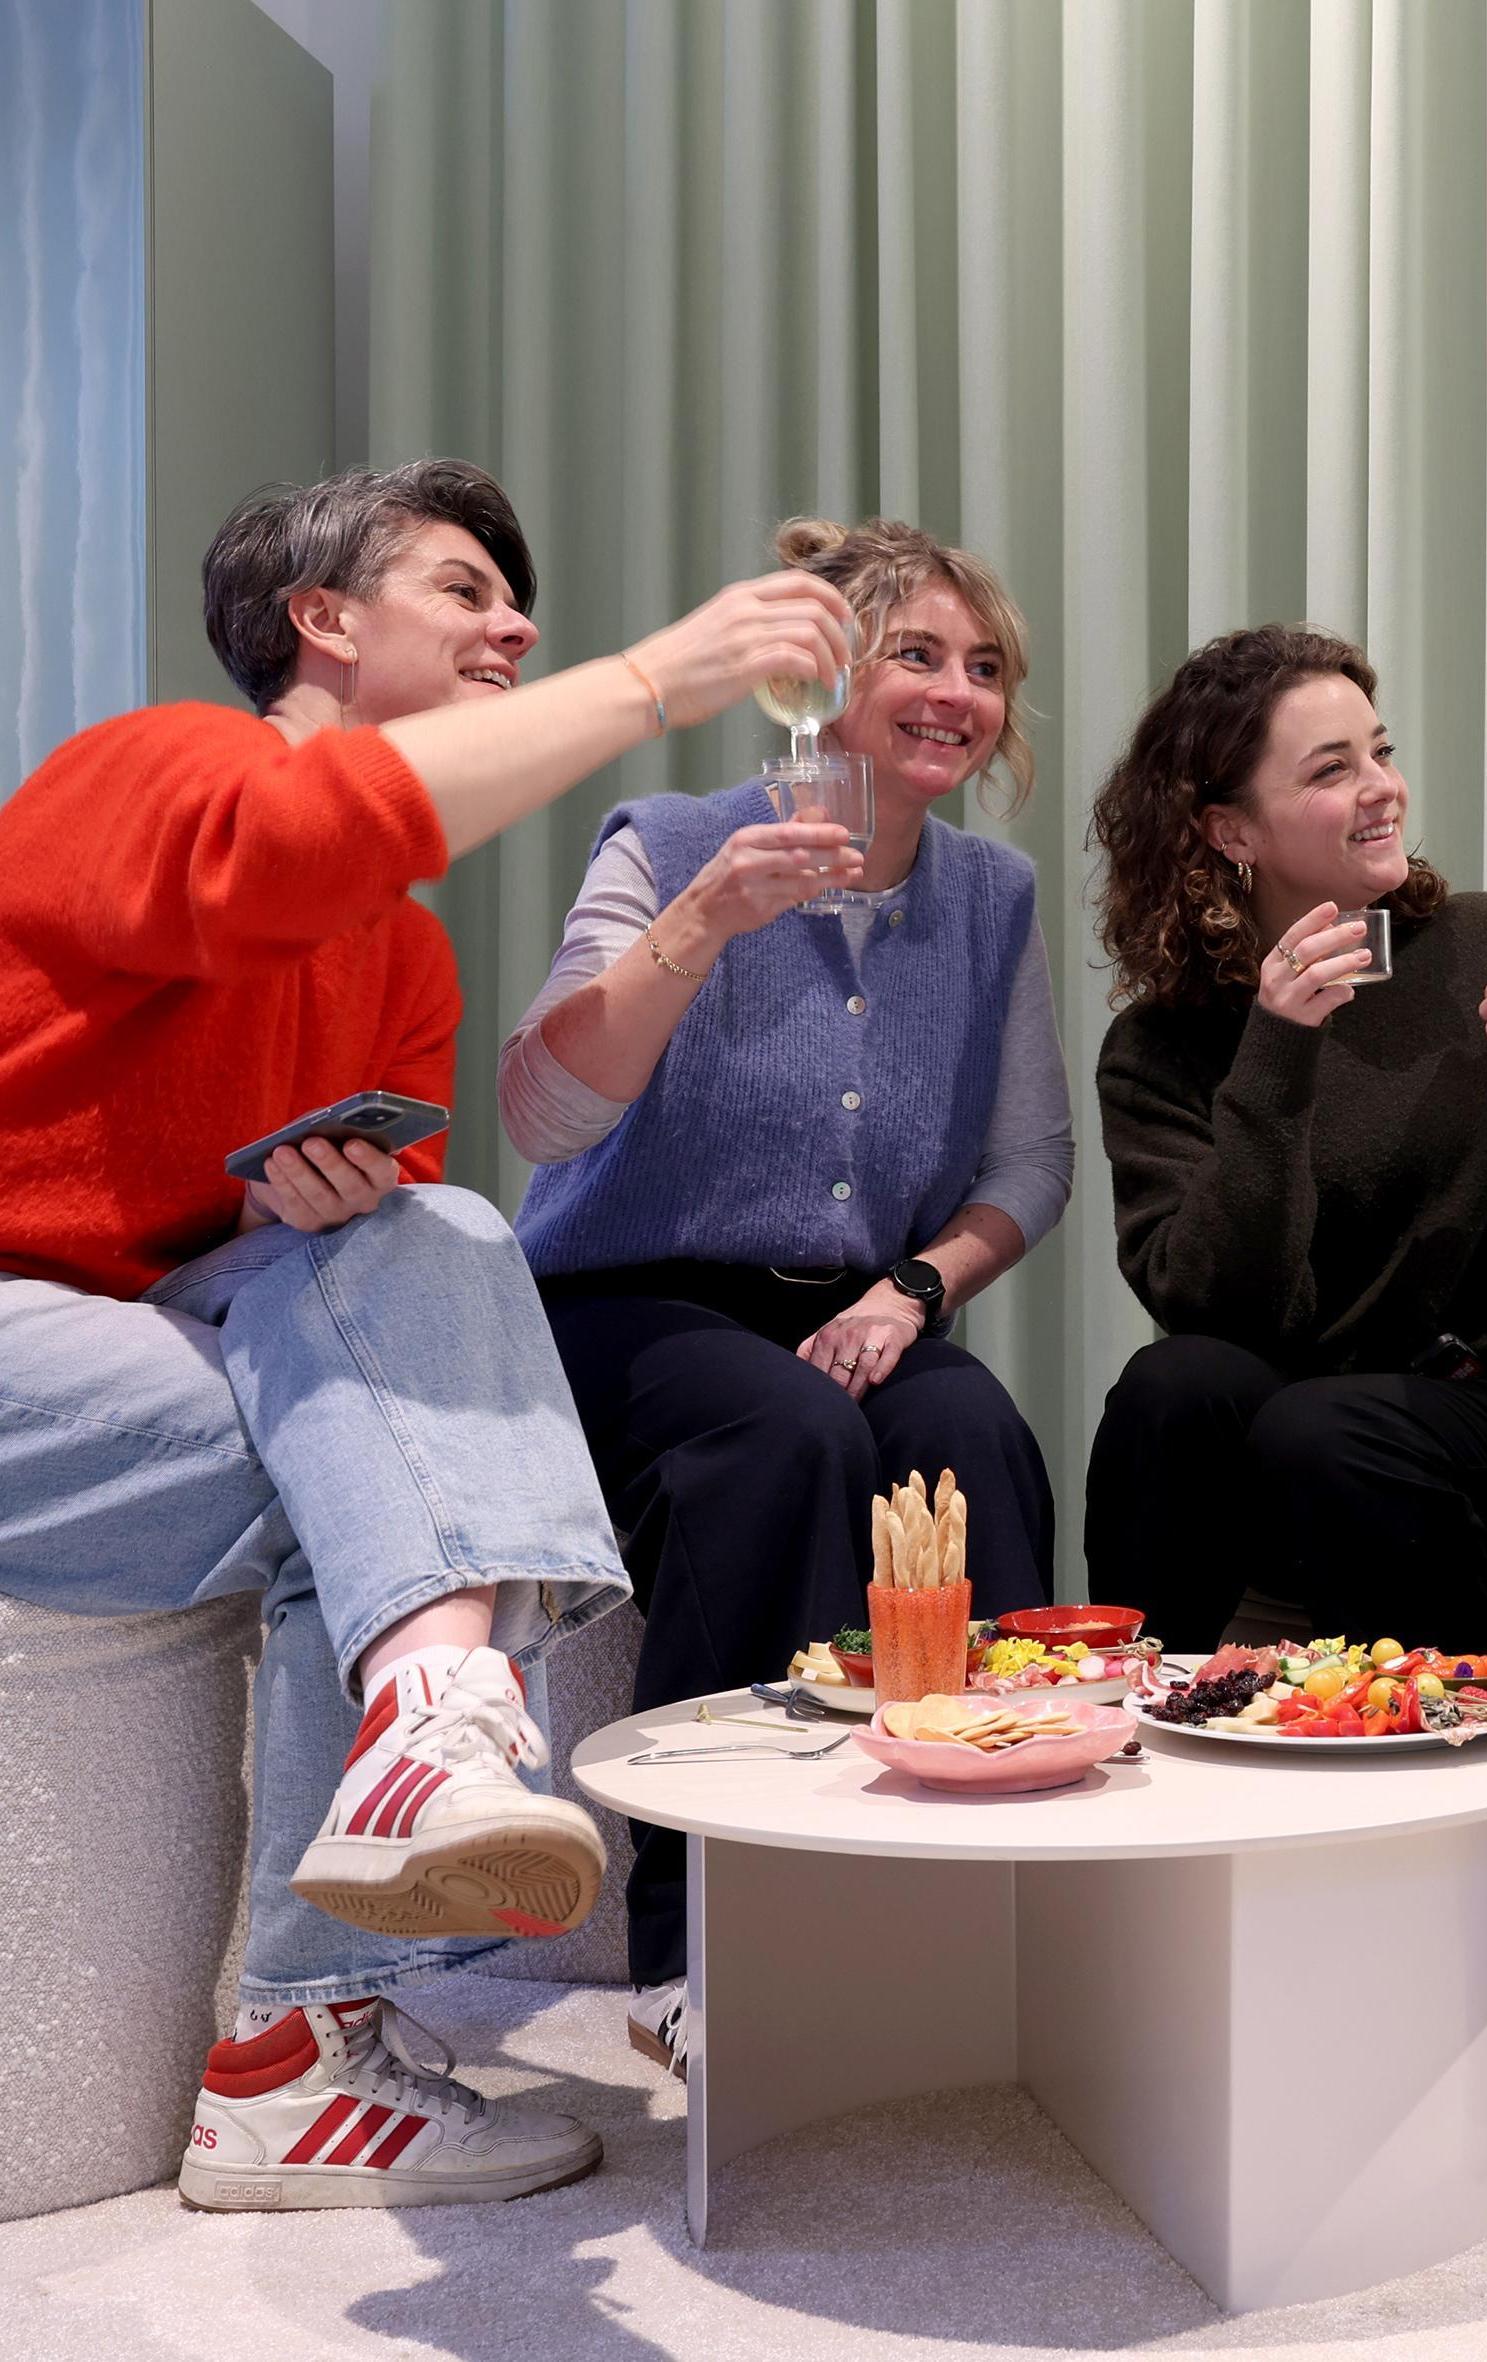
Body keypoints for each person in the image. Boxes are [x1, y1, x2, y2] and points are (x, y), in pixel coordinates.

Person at [0, 458, 858, 2210]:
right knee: (410, 1471)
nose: (514, 625)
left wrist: (290, 1214)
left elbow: (386, 1257)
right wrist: (657, 678)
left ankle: (403, 1782)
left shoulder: (403, 957)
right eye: (463, 590)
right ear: (320, 619)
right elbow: (282, 848)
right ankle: (316, 2010)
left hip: (176, 1335)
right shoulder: (159, 765)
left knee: (437, 1258)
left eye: (516, 601)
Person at [504, 515, 1069, 2065]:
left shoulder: (993, 896)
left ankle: (990, 1904)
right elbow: (544, 1113)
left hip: (860, 1299)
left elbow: (1029, 1162)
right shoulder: (670, 841)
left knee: (975, 1439)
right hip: (628, 1302)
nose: (958, 692)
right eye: (917, 655)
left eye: (985, 668)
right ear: (827, 680)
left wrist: (914, 1289)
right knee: (782, 1439)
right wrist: (703, 923)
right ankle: (696, 1946)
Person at [1083, 624, 1487, 1657]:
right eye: (1331, 769)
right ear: (1230, 831)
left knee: (1325, 1430)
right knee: (1172, 1386)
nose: (1382, 787)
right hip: (1310, 1428)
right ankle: (1128, 1705)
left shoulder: (1475, 943)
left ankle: (1457, 1728)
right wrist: (1276, 1048)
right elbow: (1213, 1305)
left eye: (1379, 752)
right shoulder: (1161, 1047)